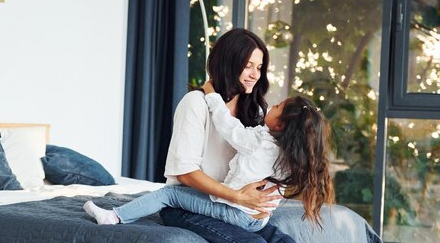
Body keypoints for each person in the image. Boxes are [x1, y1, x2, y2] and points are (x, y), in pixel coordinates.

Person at [125, 28, 391, 243]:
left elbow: (274, 160)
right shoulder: (196, 103)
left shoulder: (257, 109)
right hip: (190, 204)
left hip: (238, 207)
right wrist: (237, 196)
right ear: (228, 62)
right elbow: (184, 172)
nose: (255, 74)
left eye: (260, 66)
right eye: (248, 65)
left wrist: (267, 194)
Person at [84, 83, 333, 234]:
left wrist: (211, 94)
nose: (271, 106)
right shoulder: (286, 154)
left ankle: (113, 216)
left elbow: (227, 126)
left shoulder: (260, 142)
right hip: (258, 221)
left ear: (280, 126)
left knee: (168, 194)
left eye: (277, 107)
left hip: (237, 213)